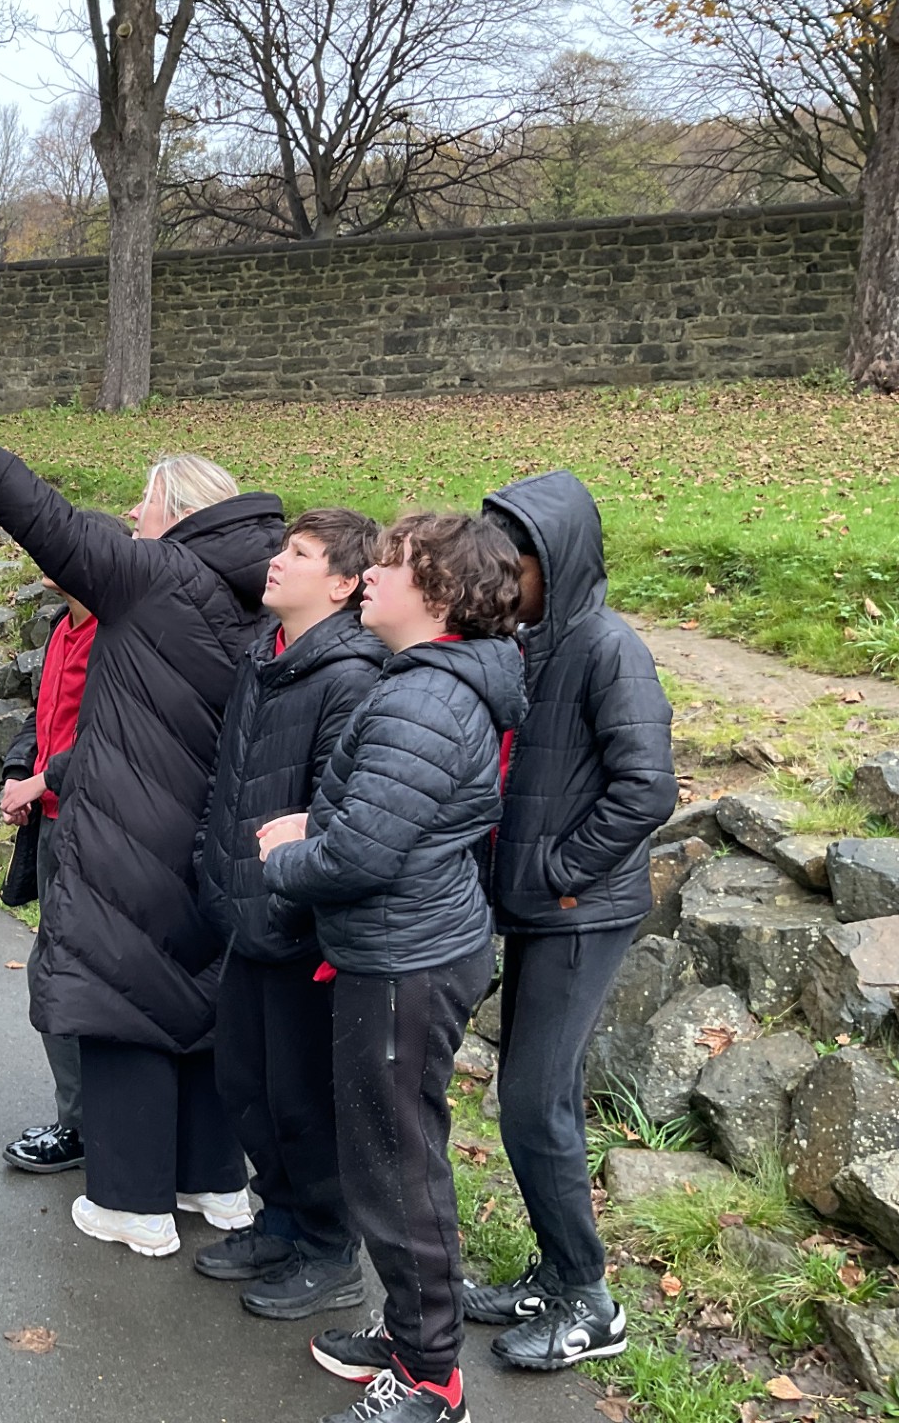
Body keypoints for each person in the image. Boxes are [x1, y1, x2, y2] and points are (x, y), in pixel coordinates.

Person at [0, 390, 282, 1260]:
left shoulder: (157, 574)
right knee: (195, 1009)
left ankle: (131, 1204)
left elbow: (52, 523)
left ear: (180, 513)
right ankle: (214, 1186)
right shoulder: (258, 600)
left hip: (129, 836)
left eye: (144, 504)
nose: (130, 517)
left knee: (122, 1009)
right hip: (212, 836)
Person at [259, 512, 527, 1423]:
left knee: (398, 1169)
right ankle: (414, 1330)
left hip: (404, 960)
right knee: (390, 1158)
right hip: (398, 948)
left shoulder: (423, 698)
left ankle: (430, 1378)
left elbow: (361, 857)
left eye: (393, 566)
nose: (371, 576)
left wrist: (287, 853)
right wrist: (320, 832)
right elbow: (385, 827)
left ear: (442, 596)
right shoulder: (427, 683)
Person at [468, 473, 674, 1369]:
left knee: (532, 1103)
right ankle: (554, 1274)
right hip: (541, 911)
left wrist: (558, 870)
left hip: (580, 914)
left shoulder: (606, 646)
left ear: (557, 561)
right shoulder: (533, 643)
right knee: (533, 1099)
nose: (502, 582)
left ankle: (590, 1299)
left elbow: (648, 788)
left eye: (515, 566)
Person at [191, 509, 388, 1320]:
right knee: (245, 1081)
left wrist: (289, 900)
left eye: (299, 555)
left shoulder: (349, 679)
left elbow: (334, 813)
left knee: (301, 1096)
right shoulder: (260, 658)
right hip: (245, 911)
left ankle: (329, 1248)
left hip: (300, 923)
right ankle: (277, 1220)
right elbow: (231, 778)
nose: (276, 563)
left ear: (342, 586)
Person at [0, 549, 111, 1176]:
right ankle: (81, 1120)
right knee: (54, 968)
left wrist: (44, 780)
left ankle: (83, 1127)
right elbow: (45, 724)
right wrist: (24, 774)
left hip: (86, 827)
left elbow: (104, 739)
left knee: (62, 973)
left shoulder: (113, 641)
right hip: (51, 822)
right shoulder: (62, 628)